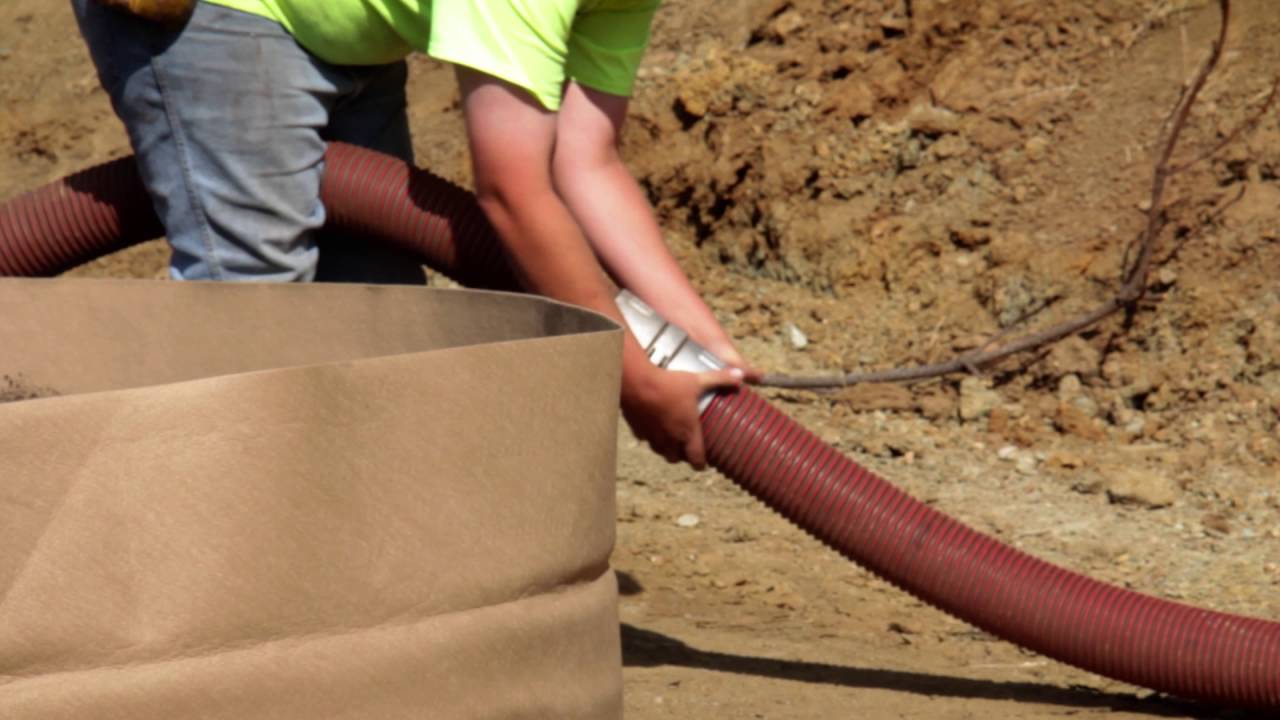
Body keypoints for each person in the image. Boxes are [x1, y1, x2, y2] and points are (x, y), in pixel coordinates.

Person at [71, 0, 758, 468]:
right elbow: (514, 192)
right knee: (252, 307)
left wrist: (705, 342)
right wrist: (634, 382)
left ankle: (342, 578)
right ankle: (199, 587)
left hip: (341, 32)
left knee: (380, 325)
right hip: (223, 14)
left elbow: (588, 162)